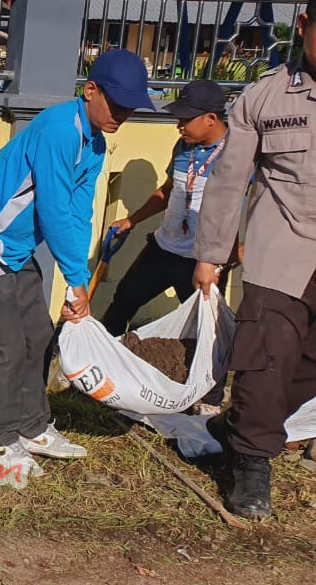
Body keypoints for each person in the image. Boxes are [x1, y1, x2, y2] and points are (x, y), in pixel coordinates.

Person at [0, 49, 154, 476]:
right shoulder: (60, 129)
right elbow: (54, 210)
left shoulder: (94, 142)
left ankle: (32, 426)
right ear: (90, 90)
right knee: (7, 343)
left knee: (38, 333)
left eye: (131, 108)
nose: (124, 114)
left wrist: (74, 283)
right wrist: (77, 279)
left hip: (15, 250)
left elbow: (79, 214)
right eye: (117, 104)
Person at [192, 0, 316, 520]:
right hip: (282, 245)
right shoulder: (264, 98)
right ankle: (251, 464)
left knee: (303, 368)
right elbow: (227, 182)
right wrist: (210, 254)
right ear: (306, 25)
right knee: (268, 355)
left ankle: (241, 423)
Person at [99, 80, 237, 414]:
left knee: (208, 330)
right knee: (123, 301)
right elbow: (169, 190)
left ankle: (209, 402)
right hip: (163, 248)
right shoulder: (183, 147)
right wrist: (132, 220)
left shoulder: (238, 154)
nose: (178, 125)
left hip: (203, 260)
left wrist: (238, 252)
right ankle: (101, 368)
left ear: (210, 119)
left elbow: (264, 205)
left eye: (185, 119)